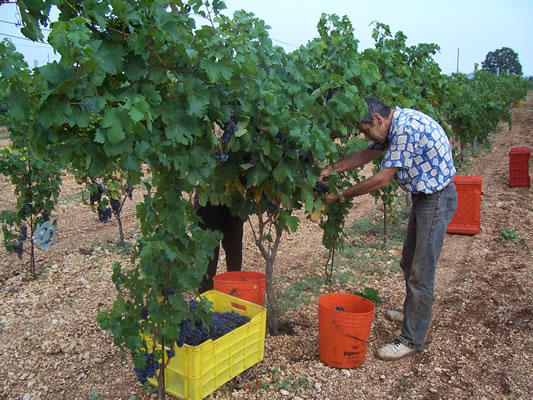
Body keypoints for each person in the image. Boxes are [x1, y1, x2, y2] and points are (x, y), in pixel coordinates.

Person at [319, 97, 457, 361]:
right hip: (425, 197)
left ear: (379, 119)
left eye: (365, 130)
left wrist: (342, 195)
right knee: (408, 262)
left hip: (437, 199)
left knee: (421, 272)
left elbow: (382, 179)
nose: (365, 135)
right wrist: (330, 169)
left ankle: (411, 339)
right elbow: (367, 153)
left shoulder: (405, 130)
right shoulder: (393, 126)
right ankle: (412, 312)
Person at [194, 199, 244, 293]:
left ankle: (235, 299)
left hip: (234, 201)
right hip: (208, 203)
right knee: (207, 261)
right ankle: (204, 302)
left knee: (234, 256)